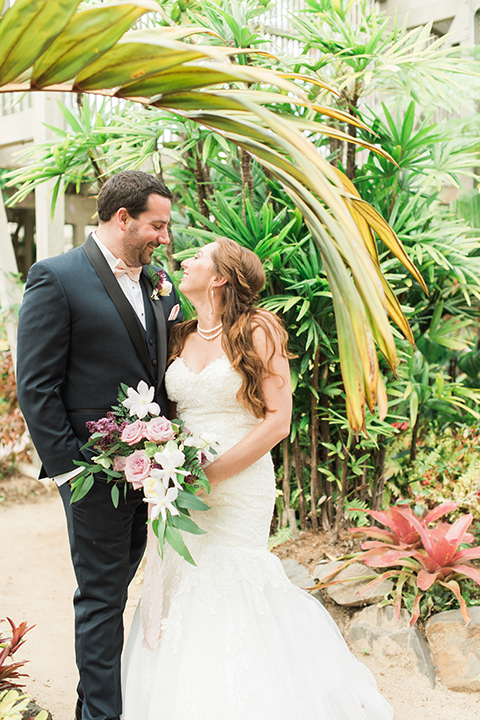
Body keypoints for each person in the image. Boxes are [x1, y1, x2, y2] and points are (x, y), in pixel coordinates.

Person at [121, 236, 393, 719]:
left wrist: (209, 474)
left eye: (198, 257)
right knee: (185, 585)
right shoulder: (178, 334)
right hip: (179, 486)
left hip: (239, 484)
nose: (185, 261)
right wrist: (162, 463)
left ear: (221, 277)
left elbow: (277, 420)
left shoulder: (258, 330)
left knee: (232, 581)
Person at [16, 170, 182, 720]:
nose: (164, 236)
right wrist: (71, 471)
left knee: (120, 589)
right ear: (122, 218)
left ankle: (97, 703)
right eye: (156, 225)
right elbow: (36, 386)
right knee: (102, 597)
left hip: (151, 470)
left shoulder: (161, 284)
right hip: (92, 473)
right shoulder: (56, 277)